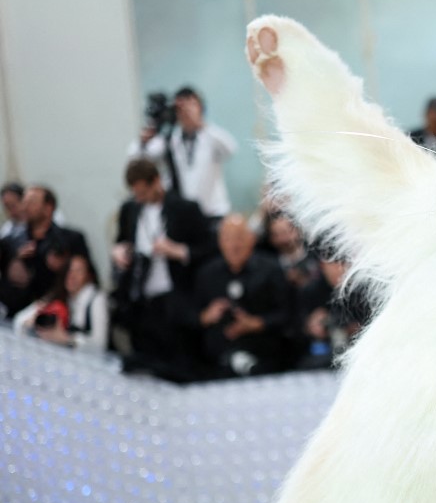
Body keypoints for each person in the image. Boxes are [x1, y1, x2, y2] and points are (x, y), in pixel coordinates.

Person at [112, 159, 215, 380]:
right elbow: (121, 240)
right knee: (144, 365)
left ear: (156, 182)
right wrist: (119, 251)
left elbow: (210, 249)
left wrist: (178, 251)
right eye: (135, 193)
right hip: (140, 298)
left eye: (143, 192)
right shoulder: (129, 209)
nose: (139, 198)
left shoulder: (186, 208)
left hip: (176, 298)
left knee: (178, 365)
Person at [195, 215, 291, 377]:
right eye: (228, 239)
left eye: (239, 238)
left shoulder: (271, 269)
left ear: (252, 239)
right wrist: (207, 316)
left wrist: (255, 323)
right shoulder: (206, 274)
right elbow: (189, 315)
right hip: (217, 362)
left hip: (266, 356)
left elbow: (288, 314)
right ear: (219, 241)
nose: (234, 245)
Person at [128, 86, 236, 220]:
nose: (185, 112)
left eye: (190, 106)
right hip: (184, 216)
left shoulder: (210, 135)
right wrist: (144, 140)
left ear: (200, 107)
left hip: (213, 212)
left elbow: (231, 149)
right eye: (180, 108)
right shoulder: (170, 140)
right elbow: (137, 159)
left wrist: (200, 124)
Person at [0, 186, 90, 319]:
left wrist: (64, 268)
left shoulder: (71, 239)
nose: (25, 207)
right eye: (24, 202)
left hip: (58, 316)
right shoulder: (10, 242)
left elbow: (88, 279)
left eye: (32, 202)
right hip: (17, 316)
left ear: (48, 208)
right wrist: (16, 262)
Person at [13, 254, 109, 354]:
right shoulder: (57, 295)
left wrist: (68, 340)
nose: (72, 276)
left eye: (79, 271)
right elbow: (18, 321)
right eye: (69, 270)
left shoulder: (95, 299)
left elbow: (100, 345)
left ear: (89, 276)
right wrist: (33, 322)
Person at [295, 256, 372, 369]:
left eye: (344, 264)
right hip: (325, 352)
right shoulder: (311, 291)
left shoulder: (364, 290)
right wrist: (310, 327)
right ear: (323, 266)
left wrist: (352, 328)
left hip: (360, 351)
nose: (340, 269)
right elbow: (296, 327)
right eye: (334, 265)